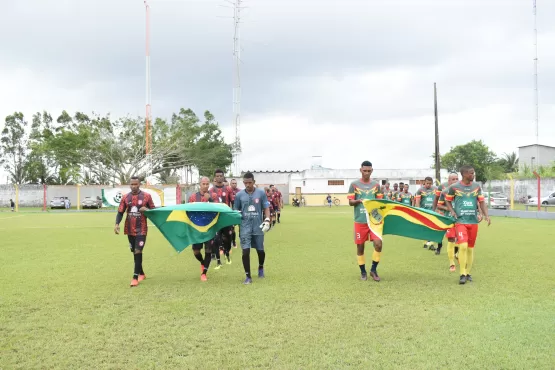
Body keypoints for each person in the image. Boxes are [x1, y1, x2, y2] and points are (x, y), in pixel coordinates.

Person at [445, 165, 491, 285]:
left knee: (470, 248)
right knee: (463, 246)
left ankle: (468, 273)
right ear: (464, 174)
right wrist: (452, 211)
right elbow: (447, 200)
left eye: (473, 173)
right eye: (471, 173)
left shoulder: (476, 187)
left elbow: (481, 202)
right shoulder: (454, 187)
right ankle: (462, 274)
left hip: (473, 222)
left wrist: (486, 215)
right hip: (461, 222)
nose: (473, 175)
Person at [114, 176, 155, 287]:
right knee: (134, 251)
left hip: (141, 229)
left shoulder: (147, 196)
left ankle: (135, 277)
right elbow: (120, 212)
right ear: (129, 185)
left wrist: (146, 210)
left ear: (139, 184)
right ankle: (141, 272)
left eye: (135, 184)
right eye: (131, 184)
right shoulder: (126, 197)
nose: (133, 186)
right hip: (129, 230)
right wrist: (117, 224)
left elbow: (154, 211)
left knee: (138, 251)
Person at [347, 160, 384, 282]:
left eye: (369, 171)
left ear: (372, 171)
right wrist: (359, 201)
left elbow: (380, 202)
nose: (367, 173)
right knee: (360, 247)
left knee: (378, 244)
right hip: (360, 220)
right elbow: (350, 202)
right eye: (364, 171)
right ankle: (363, 272)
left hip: (374, 221)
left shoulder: (376, 185)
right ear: (360, 170)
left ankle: (373, 270)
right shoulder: (354, 184)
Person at [233, 172, 271, 285]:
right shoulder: (239, 195)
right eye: (246, 183)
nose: (248, 185)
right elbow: (236, 210)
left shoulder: (261, 193)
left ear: (254, 182)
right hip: (244, 227)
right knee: (245, 251)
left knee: (260, 251)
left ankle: (260, 267)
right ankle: (248, 276)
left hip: (258, 226)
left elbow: (266, 207)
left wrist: (267, 219)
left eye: (250, 182)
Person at [188, 176, 219, 281]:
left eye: (207, 184)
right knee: (196, 251)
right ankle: (202, 262)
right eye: (203, 184)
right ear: (199, 185)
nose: (205, 186)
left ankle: (204, 273)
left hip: (209, 227)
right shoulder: (193, 197)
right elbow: (188, 211)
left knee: (208, 250)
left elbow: (219, 208)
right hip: (197, 228)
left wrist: (209, 199)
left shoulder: (214, 196)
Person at [209, 169, 234, 268]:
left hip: (226, 218)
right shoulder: (211, 191)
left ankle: (227, 254)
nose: (219, 177)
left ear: (223, 177)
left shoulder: (228, 189)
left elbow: (233, 203)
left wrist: (234, 216)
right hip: (216, 219)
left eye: (221, 176)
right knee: (215, 240)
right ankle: (218, 261)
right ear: (215, 178)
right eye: (217, 176)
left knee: (227, 239)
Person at [436, 172, 460, 271]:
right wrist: (449, 209)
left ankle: (458, 254)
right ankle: (451, 263)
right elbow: (439, 205)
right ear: (449, 181)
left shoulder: (462, 191)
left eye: (457, 179)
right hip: (449, 219)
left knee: (460, 241)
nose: (455, 181)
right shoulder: (444, 192)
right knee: (451, 240)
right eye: (453, 179)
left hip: (461, 219)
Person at [415, 176, 439, 252]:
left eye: (430, 183)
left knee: (432, 227)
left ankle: (430, 244)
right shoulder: (420, 190)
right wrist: (419, 210)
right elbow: (417, 201)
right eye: (427, 183)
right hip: (424, 211)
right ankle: (426, 242)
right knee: (425, 228)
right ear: (424, 182)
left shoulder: (435, 189)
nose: (428, 185)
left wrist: (437, 209)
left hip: (432, 211)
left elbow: (438, 198)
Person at [230, 179, 242, 248]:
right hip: (232, 212)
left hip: (239, 212)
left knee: (241, 227)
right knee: (232, 228)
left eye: (235, 183)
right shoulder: (228, 191)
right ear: (230, 184)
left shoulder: (240, 191)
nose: (234, 184)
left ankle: (241, 240)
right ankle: (233, 241)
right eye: (233, 183)